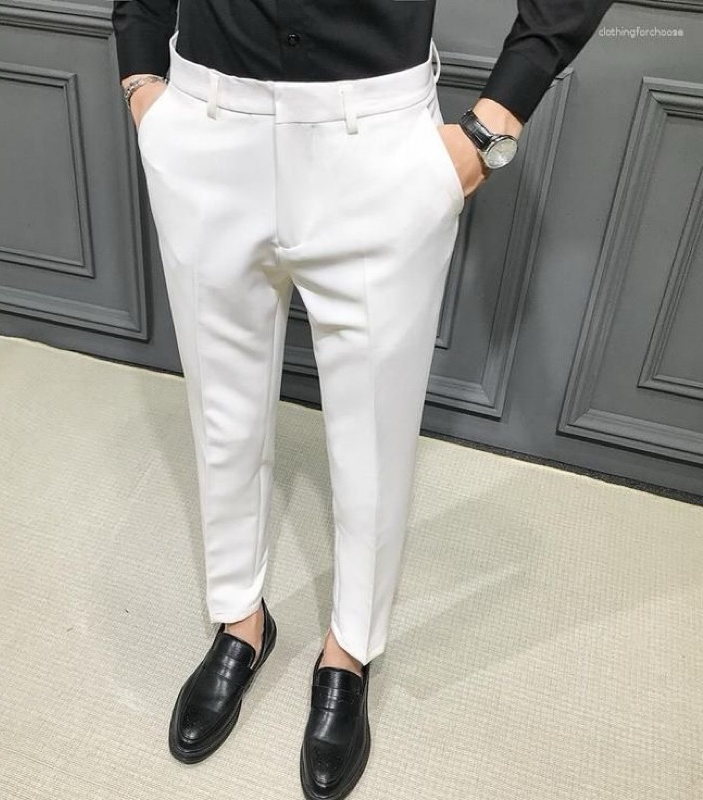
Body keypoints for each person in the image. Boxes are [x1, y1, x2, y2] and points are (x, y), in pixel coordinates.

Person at [111, 2, 613, 797]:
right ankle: (239, 617)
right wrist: (141, 72)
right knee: (221, 416)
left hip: (376, 141)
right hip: (206, 124)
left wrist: (492, 124)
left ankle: (350, 650)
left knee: (374, 439)